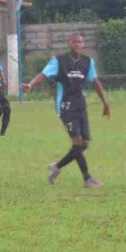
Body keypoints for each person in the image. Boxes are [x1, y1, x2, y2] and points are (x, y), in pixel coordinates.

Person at [21, 33, 110, 188]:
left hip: (81, 105)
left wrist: (105, 102)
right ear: (70, 44)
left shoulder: (88, 62)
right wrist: (31, 84)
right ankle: (87, 178)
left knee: (84, 145)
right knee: (77, 141)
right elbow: (44, 74)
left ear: (83, 45)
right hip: (65, 106)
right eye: (75, 42)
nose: (78, 44)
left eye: (80, 42)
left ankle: (56, 167)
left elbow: (95, 82)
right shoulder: (59, 61)